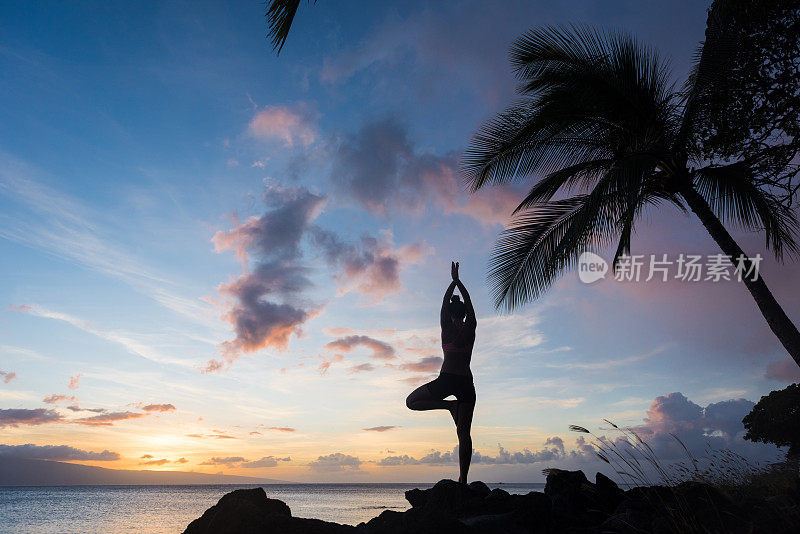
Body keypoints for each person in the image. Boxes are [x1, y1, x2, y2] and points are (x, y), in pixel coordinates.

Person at [406, 261, 477, 483]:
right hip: (466, 382)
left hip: (447, 380)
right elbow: (470, 305)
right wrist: (460, 284)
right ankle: (463, 480)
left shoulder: (446, 327)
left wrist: (452, 281)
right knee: (463, 434)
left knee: (411, 402)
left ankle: (448, 406)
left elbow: (445, 304)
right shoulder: (471, 327)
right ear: (465, 313)